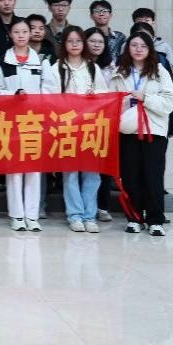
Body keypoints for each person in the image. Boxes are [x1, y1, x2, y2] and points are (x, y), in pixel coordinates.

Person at [40, 26, 109, 233]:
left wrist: (94, 95)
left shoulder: (92, 68)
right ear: (64, 44)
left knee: (92, 174)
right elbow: (48, 98)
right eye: (70, 41)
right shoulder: (56, 69)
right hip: (67, 128)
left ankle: (90, 215)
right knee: (70, 174)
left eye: (78, 41)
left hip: (90, 128)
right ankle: (75, 215)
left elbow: (105, 95)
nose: (75, 44)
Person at [110, 32, 173, 236]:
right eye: (134, 45)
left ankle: (155, 220)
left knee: (153, 176)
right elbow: (110, 102)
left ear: (150, 49)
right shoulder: (119, 72)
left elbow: (169, 103)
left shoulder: (160, 71)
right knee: (130, 177)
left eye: (143, 46)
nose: (138, 49)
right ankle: (134, 218)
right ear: (127, 48)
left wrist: (145, 98)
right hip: (127, 130)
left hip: (153, 131)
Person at [0, 18, 48, 232]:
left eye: (25, 31)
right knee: (14, 170)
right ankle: (17, 215)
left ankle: (32, 216)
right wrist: (13, 94)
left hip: (35, 121)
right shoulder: (1, 62)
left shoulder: (40, 62)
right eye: (17, 32)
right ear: (10, 35)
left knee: (33, 169)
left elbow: (49, 90)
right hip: (11, 122)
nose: (22, 35)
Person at [85, 27, 118, 223]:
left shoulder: (111, 67)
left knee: (103, 167)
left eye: (100, 42)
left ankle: (102, 206)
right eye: (92, 41)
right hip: (82, 122)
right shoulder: (80, 64)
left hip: (105, 122)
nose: (97, 45)